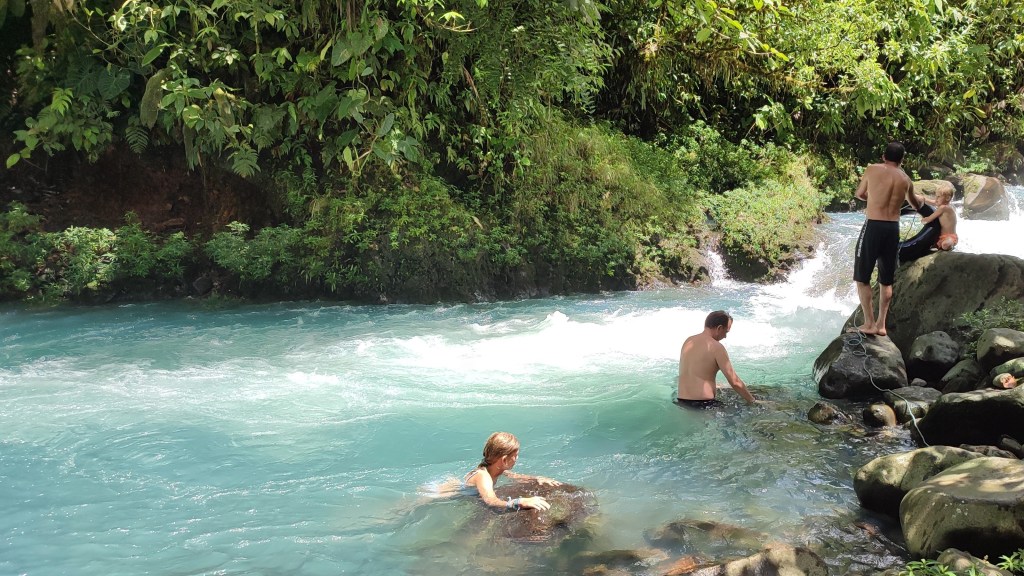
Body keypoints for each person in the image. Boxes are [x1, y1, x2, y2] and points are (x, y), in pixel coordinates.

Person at [852, 142, 923, 336]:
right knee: (886, 279)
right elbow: (916, 205)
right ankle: (881, 325)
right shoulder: (906, 179)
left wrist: (874, 197)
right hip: (892, 228)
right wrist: (922, 201)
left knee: (862, 277)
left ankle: (869, 323)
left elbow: (860, 194)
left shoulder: (872, 169)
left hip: (873, 226)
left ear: (884, 156)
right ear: (902, 160)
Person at [462, 432, 560, 512]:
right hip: (458, 493)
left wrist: (537, 478)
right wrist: (519, 502)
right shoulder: (483, 476)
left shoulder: (496, 468)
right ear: (504, 460)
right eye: (515, 455)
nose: (517, 458)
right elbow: (491, 501)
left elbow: (516, 476)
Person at [676, 310, 757, 407]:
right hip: (703, 404)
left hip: (681, 401)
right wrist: (752, 401)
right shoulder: (716, 347)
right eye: (726, 332)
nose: (725, 336)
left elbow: (696, 373)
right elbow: (734, 382)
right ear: (719, 328)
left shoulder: (689, 341)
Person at [922, 187, 958, 251]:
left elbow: (929, 219)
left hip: (950, 237)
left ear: (947, 198)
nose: (936, 199)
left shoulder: (944, 208)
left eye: (938, 197)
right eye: (936, 196)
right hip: (941, 237)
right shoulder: (943, 205)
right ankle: (941, 245)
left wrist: (924, 220)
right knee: (935, 245)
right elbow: (929, 201)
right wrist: (917, 197)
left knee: (945, 245)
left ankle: (950, 245)